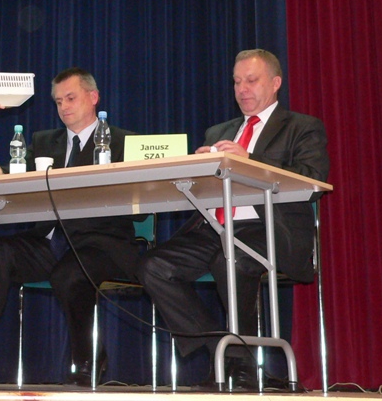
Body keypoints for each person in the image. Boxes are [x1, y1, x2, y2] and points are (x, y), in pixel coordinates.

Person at [137, 49, 329, 391]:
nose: (242, 89)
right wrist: (195, 171)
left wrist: (249, 160)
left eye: (251, 80)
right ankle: (224, 352)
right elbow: (205, 189)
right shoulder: (219, 132)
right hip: (215, 228)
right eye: (237, 82)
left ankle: (239, 365)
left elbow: (312, 180)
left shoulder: (302, 127)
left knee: (232, 259)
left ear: (276, 83)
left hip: (268, 227)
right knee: (154, 266)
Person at [0, 67, 140, 387]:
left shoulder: (124, 142)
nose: (64, 107)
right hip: (51, 242)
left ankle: (88, 360)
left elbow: (141, 195)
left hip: (101, 244)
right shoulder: (44, 141)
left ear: (93, 97)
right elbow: (20, 173)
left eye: (71, 98)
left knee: (70, 273)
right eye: (58, 101)